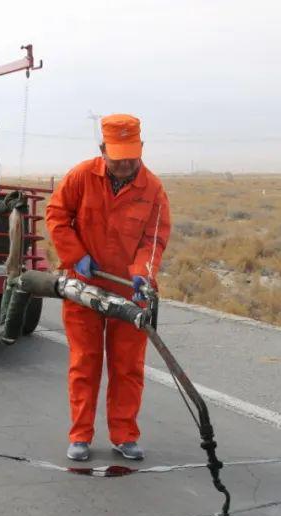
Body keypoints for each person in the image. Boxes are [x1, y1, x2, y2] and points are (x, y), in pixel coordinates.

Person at [45, 114, 171, 461]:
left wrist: (142, 273)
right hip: (83, 287)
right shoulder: (81, 176)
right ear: (103, 150)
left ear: (141, 149)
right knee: (85, 362)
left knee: (127, 366)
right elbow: (56, 216)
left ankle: (124, 434)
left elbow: (154, 238)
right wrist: (76, 254)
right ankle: (81, 435)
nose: (126, 164)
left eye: (131, 156)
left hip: (129, 293)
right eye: (118, 158)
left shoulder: (153, 189)